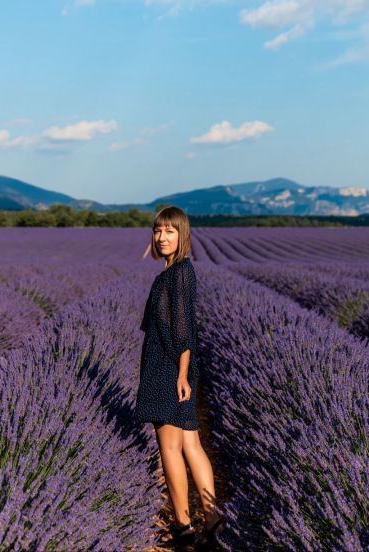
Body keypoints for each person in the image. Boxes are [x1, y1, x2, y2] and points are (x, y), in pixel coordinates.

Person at [133, 205, 225, 549]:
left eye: (170, 231)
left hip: (169, 369)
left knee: (170, 449)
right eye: (158, 231)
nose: (162, 237)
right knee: (190, 444)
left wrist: (182, 374)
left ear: (182, 234)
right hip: (168, 365)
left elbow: (184, 328)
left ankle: (184, 527)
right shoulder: (171, 273)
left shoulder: (179, 274)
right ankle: (213, 520)